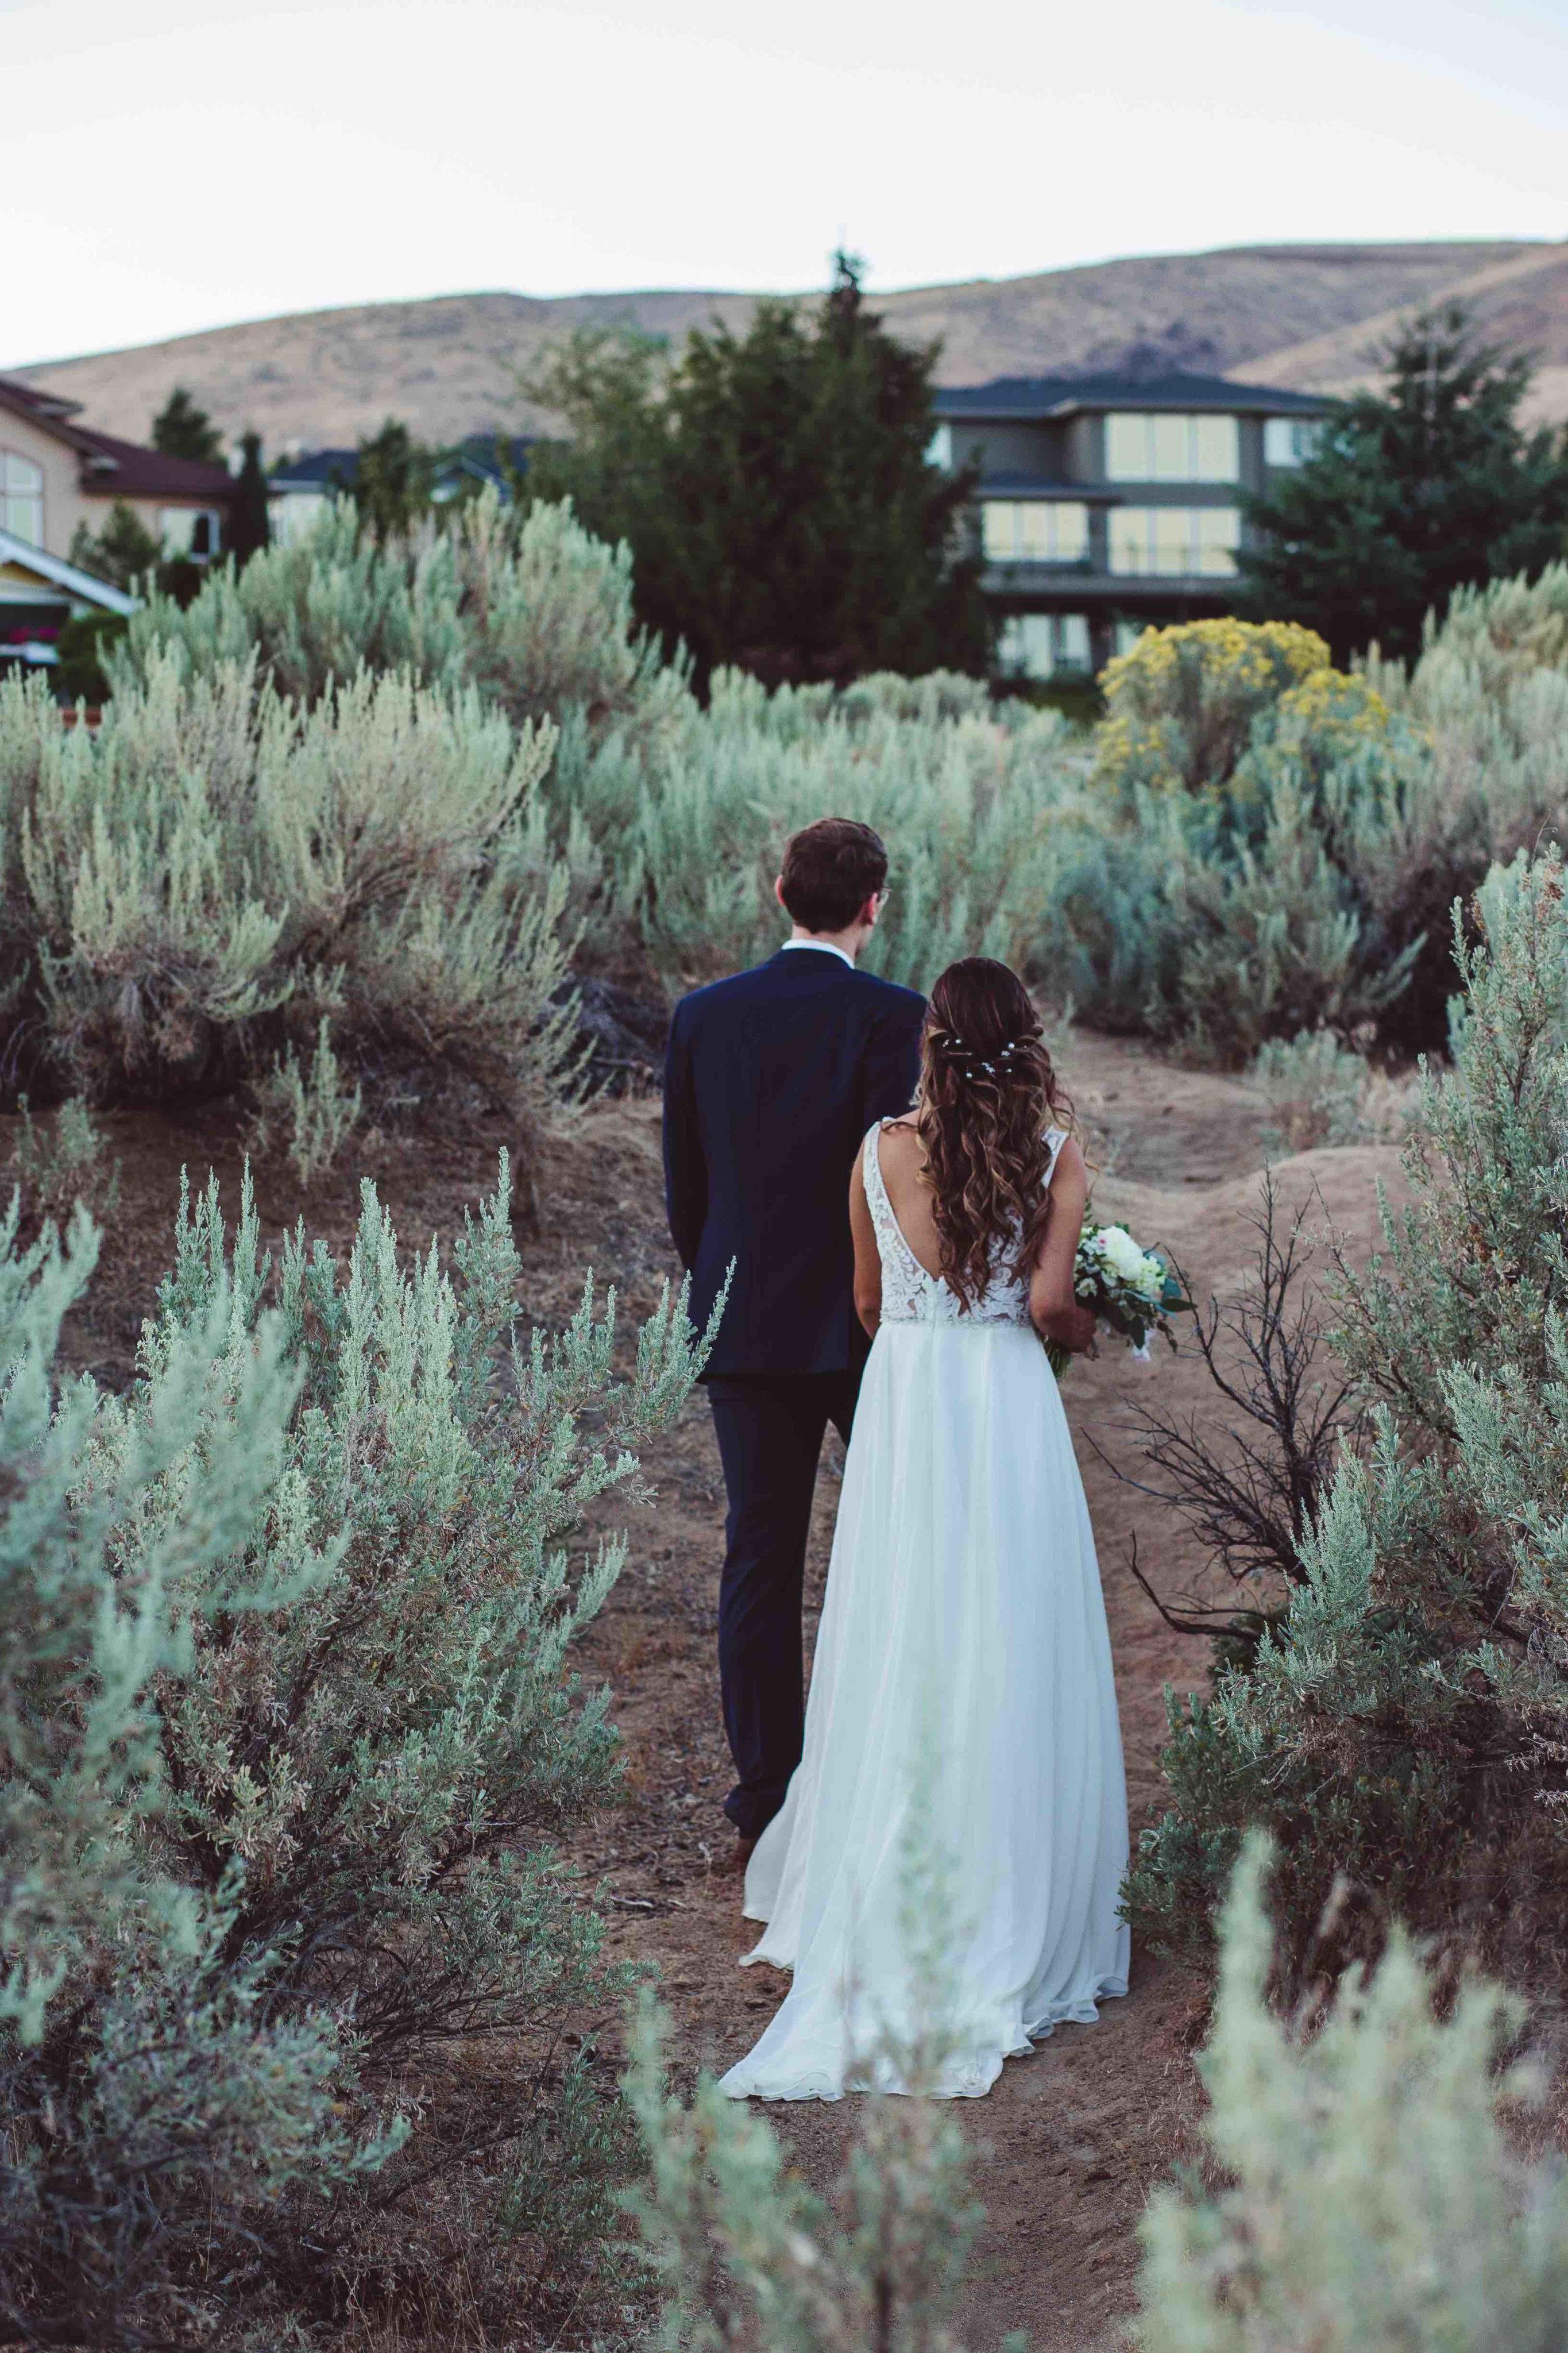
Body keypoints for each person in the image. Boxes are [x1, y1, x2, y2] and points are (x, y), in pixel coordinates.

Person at [719, 956, 1129, 2101]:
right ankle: (1009, 1873)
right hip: (1004, 1399)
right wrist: (1098, 1317)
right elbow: (1051, 1307)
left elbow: (864, 1301)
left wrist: (921, 1319)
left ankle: (883, 1863)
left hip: (908, 1404)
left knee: (906, 1620)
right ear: (1027, 1042)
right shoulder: (1054, 1152)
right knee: (1007, 1625)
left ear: (932, 1042)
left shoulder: (878, 1151)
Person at [662, 817, 926, 1872]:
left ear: (779, 892)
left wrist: (719, 1288)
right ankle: (895, 1779)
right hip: (865, 1324)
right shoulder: (893, 1016)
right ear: (875, 905)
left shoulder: (703, 1016)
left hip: (743, 1322)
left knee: (759, 1560)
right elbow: (888, 1180)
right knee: (903, 1547)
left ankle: (764, 1803)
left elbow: (687, 1183)